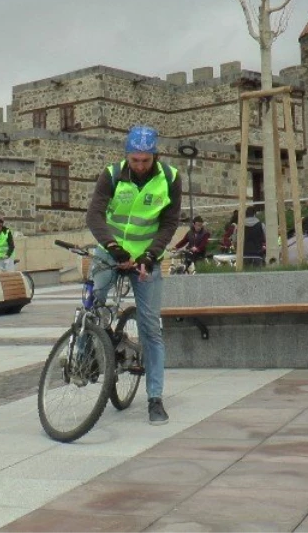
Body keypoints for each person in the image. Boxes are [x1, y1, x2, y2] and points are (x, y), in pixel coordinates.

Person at [86, 125, 181, 425]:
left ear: (155, 155)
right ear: (127, 155)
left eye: (145, 160)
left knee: (151, 328)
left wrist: (150, 256)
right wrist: (113, 247)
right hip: (112, 251)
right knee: (93, 303)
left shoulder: (170, 178)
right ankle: (83, 352)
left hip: (146, 257)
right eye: (135, 160)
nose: (139, 166)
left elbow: (169, 223)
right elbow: (95, 215)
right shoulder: (112, 174)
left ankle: (155, 398)